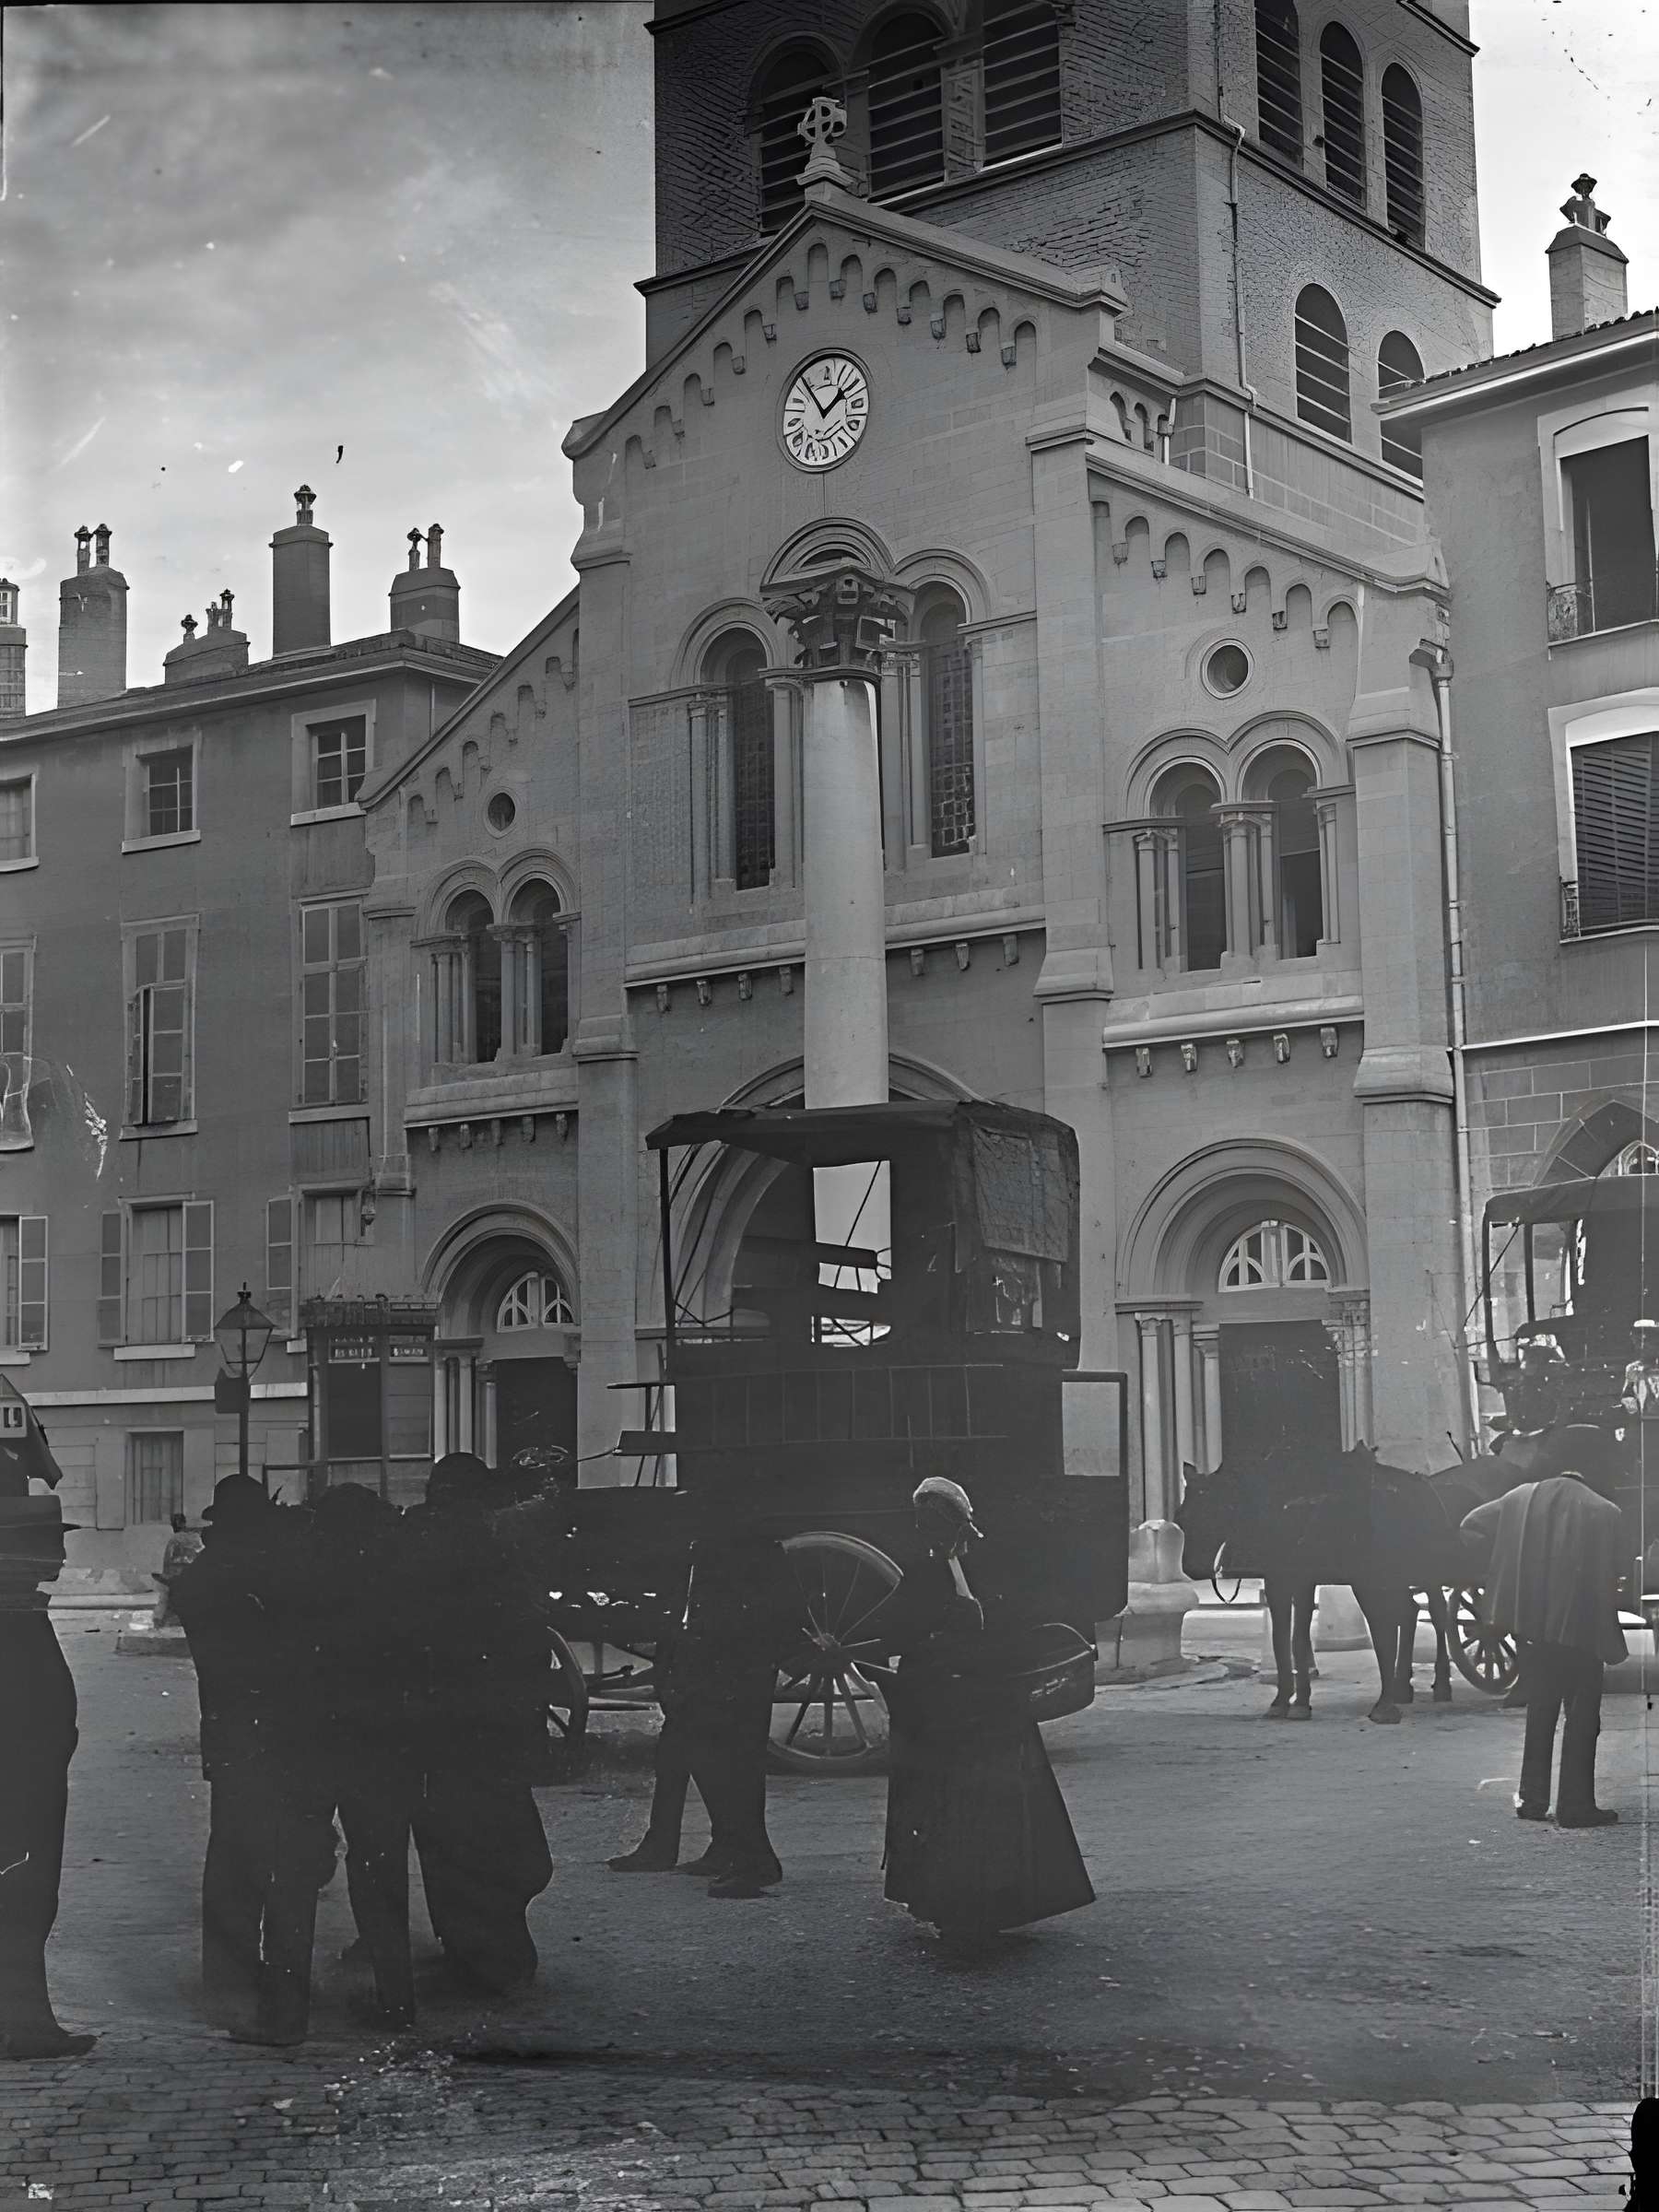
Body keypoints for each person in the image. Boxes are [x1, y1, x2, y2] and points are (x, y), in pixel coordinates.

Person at [873, 1475, 1094, 1948]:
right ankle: (970, 1906)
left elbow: (898, 1632)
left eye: (936, 1524)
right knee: (972, 1807)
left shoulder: (960, 1572)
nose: (932, 1534)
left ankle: (976, 1905)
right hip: (967, 1707)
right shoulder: (939, 1573)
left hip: (974, 1706)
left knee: (970, 1806)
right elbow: (894, 1630)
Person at [171, 1475, 336, 2043]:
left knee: (234, 1855)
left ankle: (227, 1973)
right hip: (281, 1734)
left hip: (231, 1731)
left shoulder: (204, 1578)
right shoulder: (261, 1575)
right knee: (286, 1865)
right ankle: (278, 1999)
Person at [406, 1453, 554, 1994]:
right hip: (487, 1727)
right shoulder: (498, 1550)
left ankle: (476, 1949)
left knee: (454, 1841)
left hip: (448, 1726)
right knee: (491, 1839)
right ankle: (493, 1949)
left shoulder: (427, 1545)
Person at [610, 1521, 795, 1897]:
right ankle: (693, 1846)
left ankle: (752, 1859)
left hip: (733, 1671)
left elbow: (764, 1618)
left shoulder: (750, 1549)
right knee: (678, 1751)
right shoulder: (712, 1545)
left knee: (728, 1764)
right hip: (703, 1664)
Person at [305, 1483, 421, 2030]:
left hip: (321, 1740)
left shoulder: (310, 1585)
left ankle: (288, 1999)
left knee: (300, 1863)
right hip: (384, 1743)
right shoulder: (397, 1584)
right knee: (381, 1866)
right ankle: (397, 1996)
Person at [1461, 1467, 1629, 1827]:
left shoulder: (1518, 1497)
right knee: (1582, 1718)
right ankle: (1575, 1806)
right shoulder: (1605, 1511)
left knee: (1541, 1713)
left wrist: (1503, 1567)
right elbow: (1619, 1569)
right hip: (1580, 1628)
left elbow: (1470, 1526)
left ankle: (1533, 1801)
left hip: (1530, 1626)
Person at [0, 1492, 97, 2061]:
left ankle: (27, 2021)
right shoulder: (14, 1617)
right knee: (26, 1902)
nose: (59, 1556)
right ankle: (27, 2027)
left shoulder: (23, 1609)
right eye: (50, 1544)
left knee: (27, 1904)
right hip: (22, 1790)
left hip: (31, 1783)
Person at [151, 1511, 202, 1630]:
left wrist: (166, 1575)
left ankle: (159, 1623)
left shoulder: (174, 1539)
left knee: (165, 1599)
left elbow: (168, 1560)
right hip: (191, 1575)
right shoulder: (195, 1538)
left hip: (176, 1575)